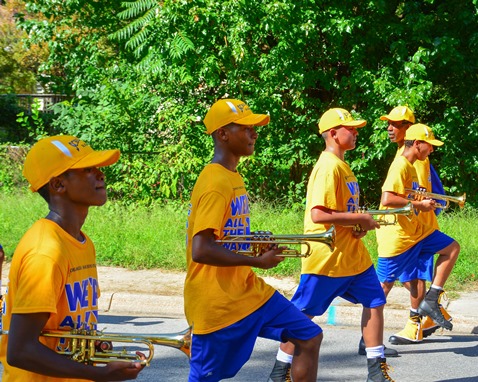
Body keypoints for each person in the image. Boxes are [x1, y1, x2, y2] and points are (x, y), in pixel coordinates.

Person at [184, 98, 322, 382]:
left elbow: (224, 238)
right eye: (246, 128)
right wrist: (256, 261)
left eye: (254, 128)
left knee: (309, 335)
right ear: (223, 134)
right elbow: (201, 249)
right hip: (217, 302)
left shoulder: (232, 176)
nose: (254, 133)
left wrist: (252, 243)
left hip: (246, 292)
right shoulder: (215, 182)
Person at [0, 135, 145, 381]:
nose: (100, 174)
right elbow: (20, 350)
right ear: (58, 184)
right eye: (87, 169)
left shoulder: (81, 241)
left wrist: (94, 348)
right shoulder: (45, 251)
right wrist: (99, 374)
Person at [268, 108, 395, 382]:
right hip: (327, 259)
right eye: (351, 128)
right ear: (334, 134)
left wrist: (357, 226)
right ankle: (279, 372)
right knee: (301, 317)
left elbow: (342, 213)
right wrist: (360, 217)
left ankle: (377, 373)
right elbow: (319, 214)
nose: (357, 132)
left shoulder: (343, 166)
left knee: (375, 301)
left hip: (354, 258)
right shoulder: (327, 167)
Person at [375, 123, 460, 347]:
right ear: (418, 143)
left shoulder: (413, 165)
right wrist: (418, 204)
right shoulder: (400, 165)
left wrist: (421, 201)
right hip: (397, 238)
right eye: (429, 145)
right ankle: (368, 341)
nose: (431, 150)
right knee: (381, 290)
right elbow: (387, 199)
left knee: (452, 248)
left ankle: (432, 300)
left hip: (415, 233)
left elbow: (407, 197)